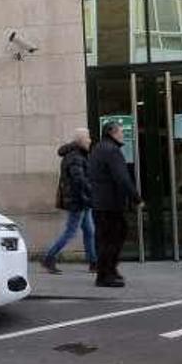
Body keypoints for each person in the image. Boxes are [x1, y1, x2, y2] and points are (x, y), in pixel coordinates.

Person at [88, 121, 142, 288]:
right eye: (121, 131)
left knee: (108, 238)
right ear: (112, 133)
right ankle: (105, 275)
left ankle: (109, 270)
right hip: (110, 203)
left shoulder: (98, 148)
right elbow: (122, 178)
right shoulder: (112, 151)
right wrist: (136, 198)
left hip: (100, 203)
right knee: (112, 238)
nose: (123, 134)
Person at [41, 128, 96, 275]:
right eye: (88, 138)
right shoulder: (75, 156)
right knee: (70, 232)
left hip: (83, 201)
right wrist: (92, 191)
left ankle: (94, 262)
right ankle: (49, 258)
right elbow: (78, 179)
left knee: (89, 231)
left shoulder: (79, 155)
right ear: (80, 141)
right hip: (78, 201)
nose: (90, 140)